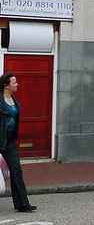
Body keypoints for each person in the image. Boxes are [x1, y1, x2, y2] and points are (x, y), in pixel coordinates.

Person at [0, 73, 36, 213]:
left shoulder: (13, 100)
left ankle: (22, 204)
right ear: (6, 85)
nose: (17, 84)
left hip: (9, 142)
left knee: (16, 171)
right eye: (14, 82)